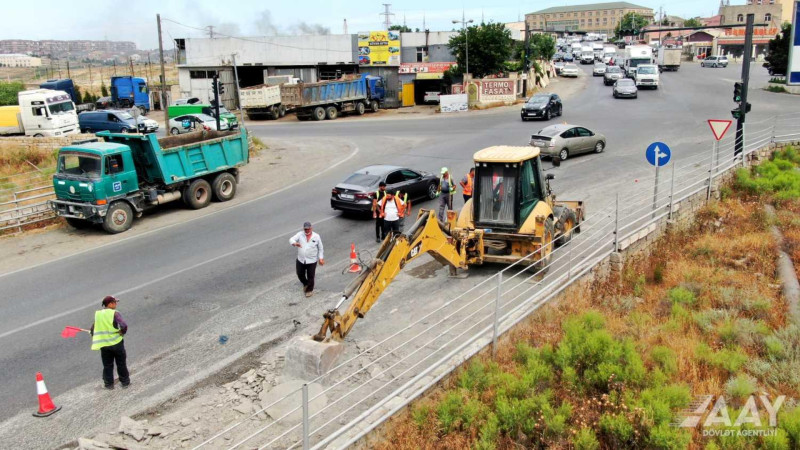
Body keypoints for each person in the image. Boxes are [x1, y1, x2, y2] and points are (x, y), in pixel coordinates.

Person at [90, 295, 130, 390]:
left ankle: (108, 384)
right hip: (116, 343)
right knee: (121, 363)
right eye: (115, 302)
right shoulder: (114, 313)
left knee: (107, 365)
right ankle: (125, 382)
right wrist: (122, 332)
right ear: (110, 304)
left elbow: (93, 329)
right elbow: (124, 325)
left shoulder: (98, 314)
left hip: (104, 345)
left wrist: (93, 334)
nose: (116, 304)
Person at [290, 221, 325, 298]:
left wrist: (321, 258)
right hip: (301, 259)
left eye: (308, 229)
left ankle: (309, 290)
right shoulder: (300, 234)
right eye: (305, 229)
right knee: (300, 274)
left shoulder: (316, 236)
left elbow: (320, 248)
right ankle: (306, 284)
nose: (307, 231)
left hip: (312, 260)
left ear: (311, 228)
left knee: (311, 276)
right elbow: (291, 239)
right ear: (303, 229)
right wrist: (294, 243)